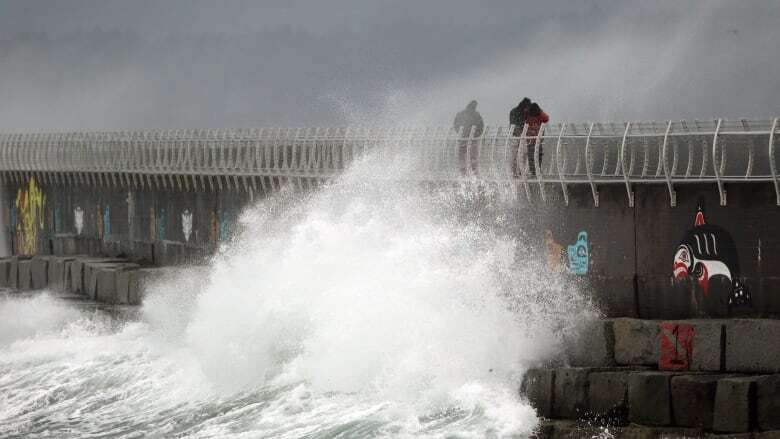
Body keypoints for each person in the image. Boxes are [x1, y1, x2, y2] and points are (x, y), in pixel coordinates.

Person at [452, 100, 484, 175]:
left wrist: (461, 133)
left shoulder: (460, 114)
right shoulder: (476, 115)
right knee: (473, 155)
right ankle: (474, 171)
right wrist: (476, 135)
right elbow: (481, 126)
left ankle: (463, 172)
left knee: (462, 154)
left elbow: (456, 125)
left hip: (463, 138)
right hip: (473, 139)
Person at [524, 102, 549, 177]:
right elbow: (546, 118)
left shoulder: (539, 114)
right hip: (532, 138)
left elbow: (546, 118)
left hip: (537, 138)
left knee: (537, 155)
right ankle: (534, 171)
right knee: (533, 155)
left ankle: (536, 171)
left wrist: (540, 112)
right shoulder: (527, 113)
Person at [509, 97, 531, 176]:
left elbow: (513, 124)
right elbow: (515, 124)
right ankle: (518, 171)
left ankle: (515, 172)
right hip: (518, 136)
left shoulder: (514, 111)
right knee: (521, 154)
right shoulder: (519, 112)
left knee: (515, 155)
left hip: (515, 136)